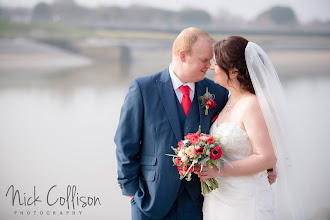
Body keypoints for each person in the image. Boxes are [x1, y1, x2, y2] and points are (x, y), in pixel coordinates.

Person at [114, 27, 229, 219]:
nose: (209, 66)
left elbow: (233, 129)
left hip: (198, 200)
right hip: (150, 198)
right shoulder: (143, 88)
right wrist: (131, 191)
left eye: (210, 61)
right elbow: (126, 143)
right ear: (183, 55)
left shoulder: (217, 93)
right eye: (204, 60)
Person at [194, 36, 296, 219]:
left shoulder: (252, 104)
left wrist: (220, 170)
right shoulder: (230, 99)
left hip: (246, 201)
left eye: (216, 63)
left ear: (233, 72)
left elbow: (267, 158)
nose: (211, 67)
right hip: (221, 197)